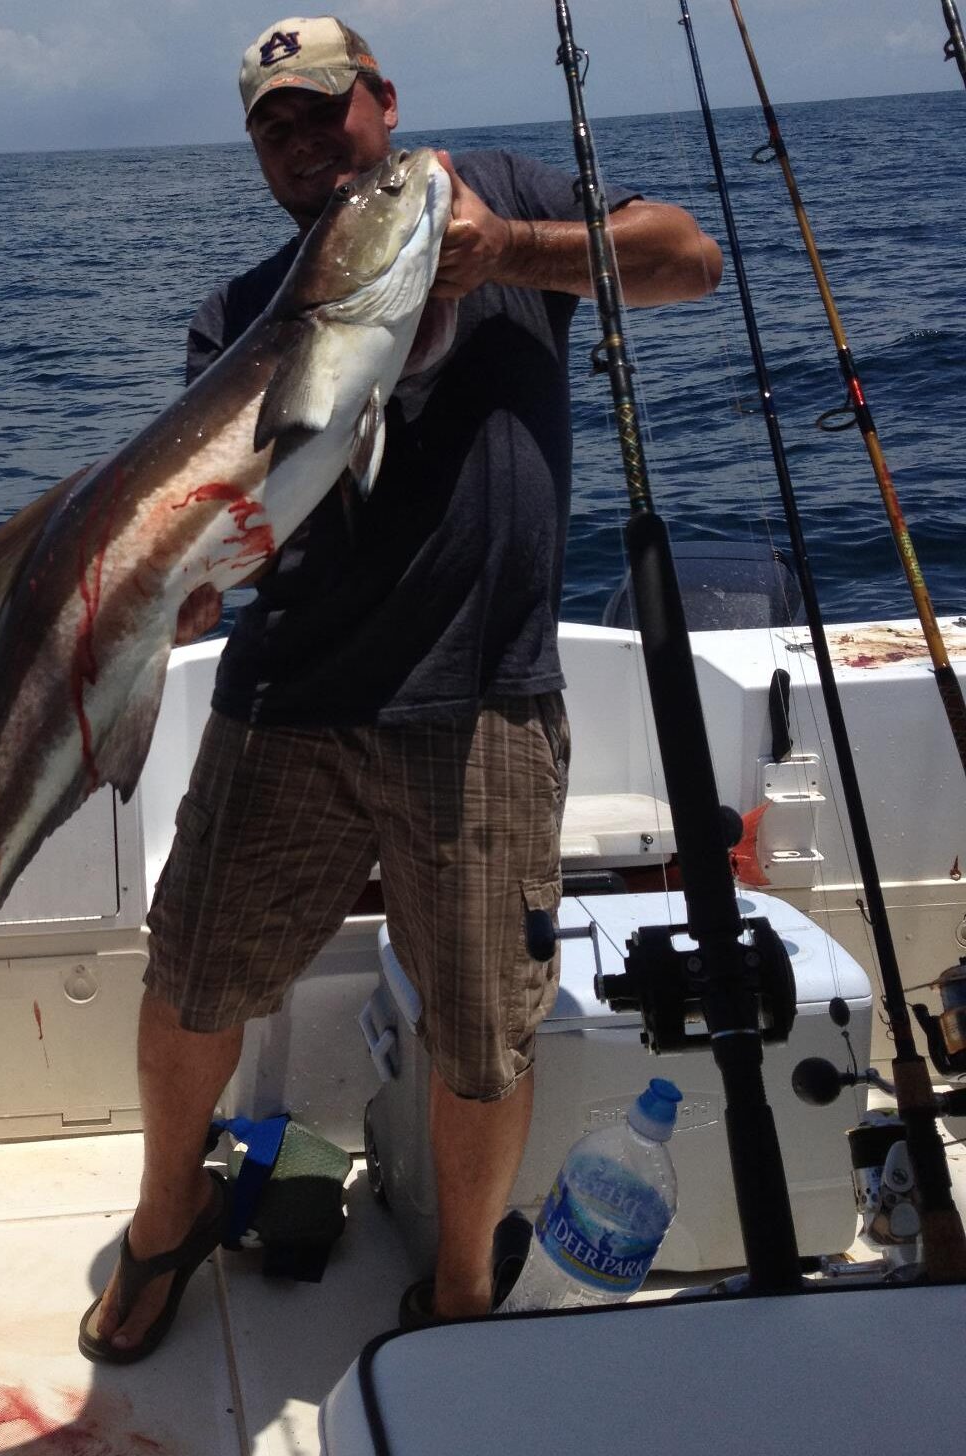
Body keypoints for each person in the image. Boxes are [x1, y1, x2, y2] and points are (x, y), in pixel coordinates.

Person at [79, 14, 722, 1361]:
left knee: (484, 1028)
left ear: (381, 100)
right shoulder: (241, 314)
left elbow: (688, 263)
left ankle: (471, 1287)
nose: (306, 141)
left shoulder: (496, 196)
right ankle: (163, 1216)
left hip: (479, 697)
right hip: (288, 698)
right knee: (191, 975)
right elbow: (256, 517)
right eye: (275, 126)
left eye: (325, 111)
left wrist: (514, 255)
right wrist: (200, 581)